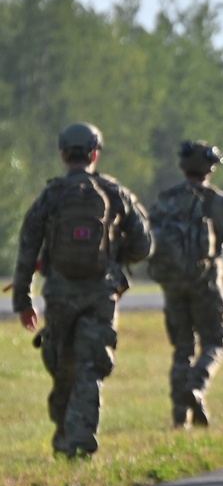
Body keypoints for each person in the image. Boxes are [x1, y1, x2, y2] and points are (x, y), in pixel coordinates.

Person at [11, 122, 152, 459]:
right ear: (95, 154)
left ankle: (65, 438)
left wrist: (23, 301)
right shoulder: (114, 193)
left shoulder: (51, 195)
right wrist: (118, 257)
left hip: (59, 295)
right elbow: (144, 243)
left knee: (63, 369)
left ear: (63, 155)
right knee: (90, 368)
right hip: (101, 294)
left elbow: (27, 247)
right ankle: (78, 444)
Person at [148, 140, 223, 428]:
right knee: (216, 341)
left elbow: (147, 239)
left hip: (172, 285)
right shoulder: (219, 202)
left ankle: (180, 417)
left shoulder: (165, 200)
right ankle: (197, 385)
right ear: (209, 168)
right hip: (206, 284)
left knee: (182, 348)